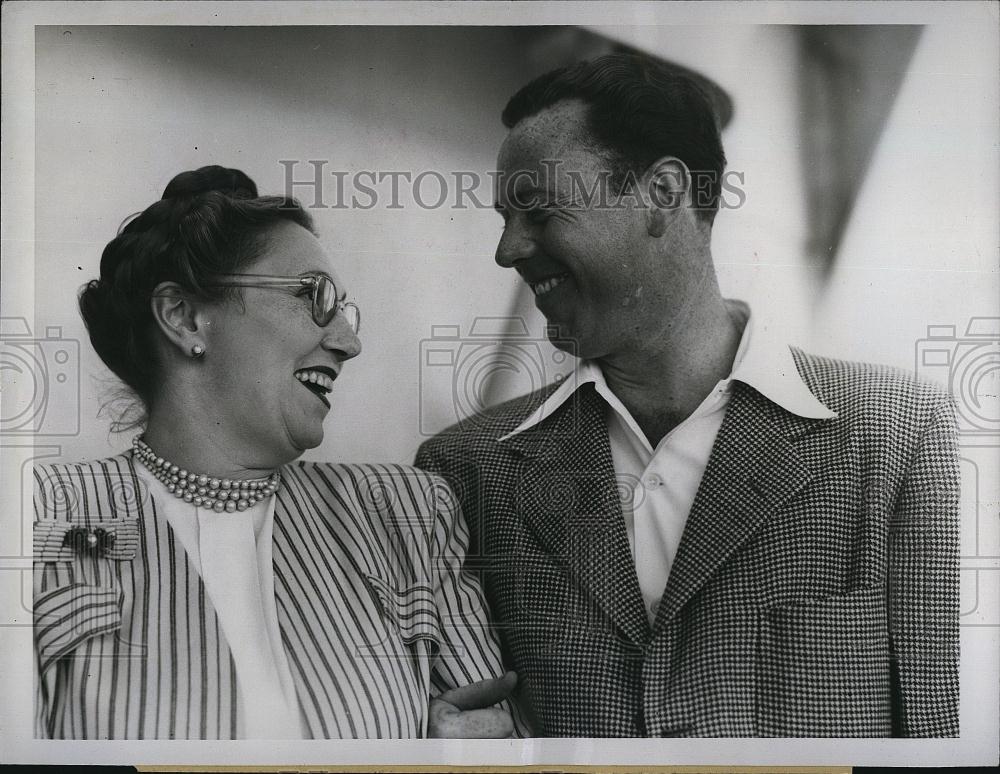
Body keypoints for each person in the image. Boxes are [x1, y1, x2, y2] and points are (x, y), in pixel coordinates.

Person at [416, 54, 960, 737]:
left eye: (538, 211)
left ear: (664, 194)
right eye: (504, 217)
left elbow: (939, 736)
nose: (507, 249)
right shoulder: (463, 470)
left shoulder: (898, 436)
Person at [33, 166, 523, 739]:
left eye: (345, 310)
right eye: (312, 296)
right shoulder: (39, 514)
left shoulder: (409, 514)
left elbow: (490, 735)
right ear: (185, 316)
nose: (348, 341)